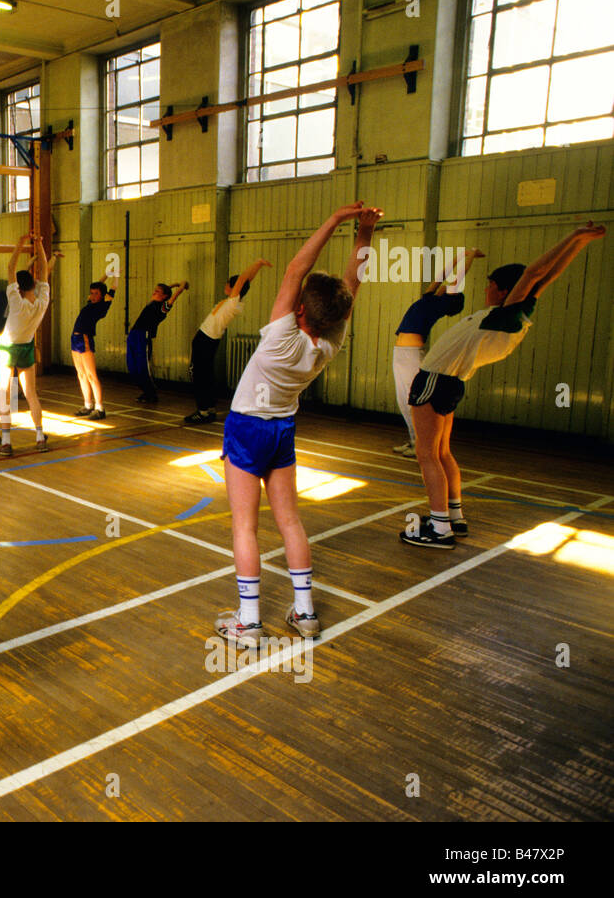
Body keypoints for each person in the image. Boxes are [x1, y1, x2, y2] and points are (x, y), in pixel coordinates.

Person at [217, 202, 381, 647]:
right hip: (283, 431)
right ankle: (304, 612)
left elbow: (295, 268)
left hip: (248, 428)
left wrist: (332, 219)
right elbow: (351, 286)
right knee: (290, 522)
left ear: (300, 312)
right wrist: (363, 236)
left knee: (244, 527)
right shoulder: (329, 341)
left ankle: (249, 622)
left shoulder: (279, 337)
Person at [400, 222, 606, 549]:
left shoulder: (504, 314)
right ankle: (453, 515)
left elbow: (535, 272)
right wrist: (579, 242)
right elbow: (545, 277)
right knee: (442, 452)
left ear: (501, 290)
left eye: (490, 285)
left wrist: (574, 235)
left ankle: (439, 528)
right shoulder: (515, 315)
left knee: (427, 455)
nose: (486, 291)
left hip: (434, 381)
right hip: (450, 383)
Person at [389, 250, 481, 457]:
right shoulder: (429, 298)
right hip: (401, 353)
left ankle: (420, 444)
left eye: (450, 288)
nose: (445, 285)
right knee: (403, 400)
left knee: (413, 400)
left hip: (412, 354)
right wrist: (459, 256)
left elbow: (457, 278)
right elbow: (441, 276)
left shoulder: (441, 305)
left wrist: (471, 257)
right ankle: (414, 441)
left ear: (452, 297)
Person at [185, 259, 271, 424]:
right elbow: (245, 281)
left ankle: (202, 411)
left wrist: (257, 263)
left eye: (228, 284)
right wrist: (257, 268)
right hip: (209, 341)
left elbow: (242, 280)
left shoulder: (232, 302)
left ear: (233, 288)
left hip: (205, 341)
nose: (225, 285)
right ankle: (209, 408)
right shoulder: (234, 302)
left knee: (198, 375)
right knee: (206, 374)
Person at [0, 234, 50, 457]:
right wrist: (40, 245)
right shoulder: (42, 301)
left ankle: (6, 442)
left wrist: (19, 244)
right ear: (34, 285)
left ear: (19, 286)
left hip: (7, 349)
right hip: (26, 347)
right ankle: (39, 437)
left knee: (4, 394)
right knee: (31, 394)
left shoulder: (16, 303)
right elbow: (44, 270)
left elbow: (10, 267)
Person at [126, 282, 187, 404]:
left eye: (158, 291)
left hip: (143, 337)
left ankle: (151, 394)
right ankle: (145, 391)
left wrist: (180, 288)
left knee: (142, 367)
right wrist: (173, 285)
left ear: (164, 296)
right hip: (133, 335)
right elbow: (166, 290)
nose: (154, 292)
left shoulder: (162, 307)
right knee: (132, 367)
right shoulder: (152, 303)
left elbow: (172, 298)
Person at [70, 265, 116, 419]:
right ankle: (88, 405)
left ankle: (100, 408)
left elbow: (112, 289)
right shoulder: (90, 303)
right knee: (81, 374)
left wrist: (115, 275)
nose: (93, 296)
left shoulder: (103, 306)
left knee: (91, 375)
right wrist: (106, 274)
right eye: (92, 293)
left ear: (102, 295)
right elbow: (98, 284)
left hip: (85, 338)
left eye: (96, 294)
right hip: (75, 338)